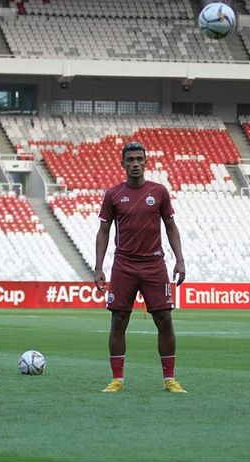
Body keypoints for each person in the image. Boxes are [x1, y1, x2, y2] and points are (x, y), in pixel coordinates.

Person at [94, 141, 187, 394]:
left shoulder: (159, 192)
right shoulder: (113, 194)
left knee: (164, 319)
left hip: (154, 264)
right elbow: (103, 231)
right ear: (122, 163)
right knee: (119, 320)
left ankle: (169, 379)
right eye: (130, 160)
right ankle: (117, 379)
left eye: (139, 159)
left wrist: (179, 259)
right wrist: (99, 266)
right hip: (123, 264)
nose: (135, 164)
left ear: (146, 162)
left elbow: (170, 226)